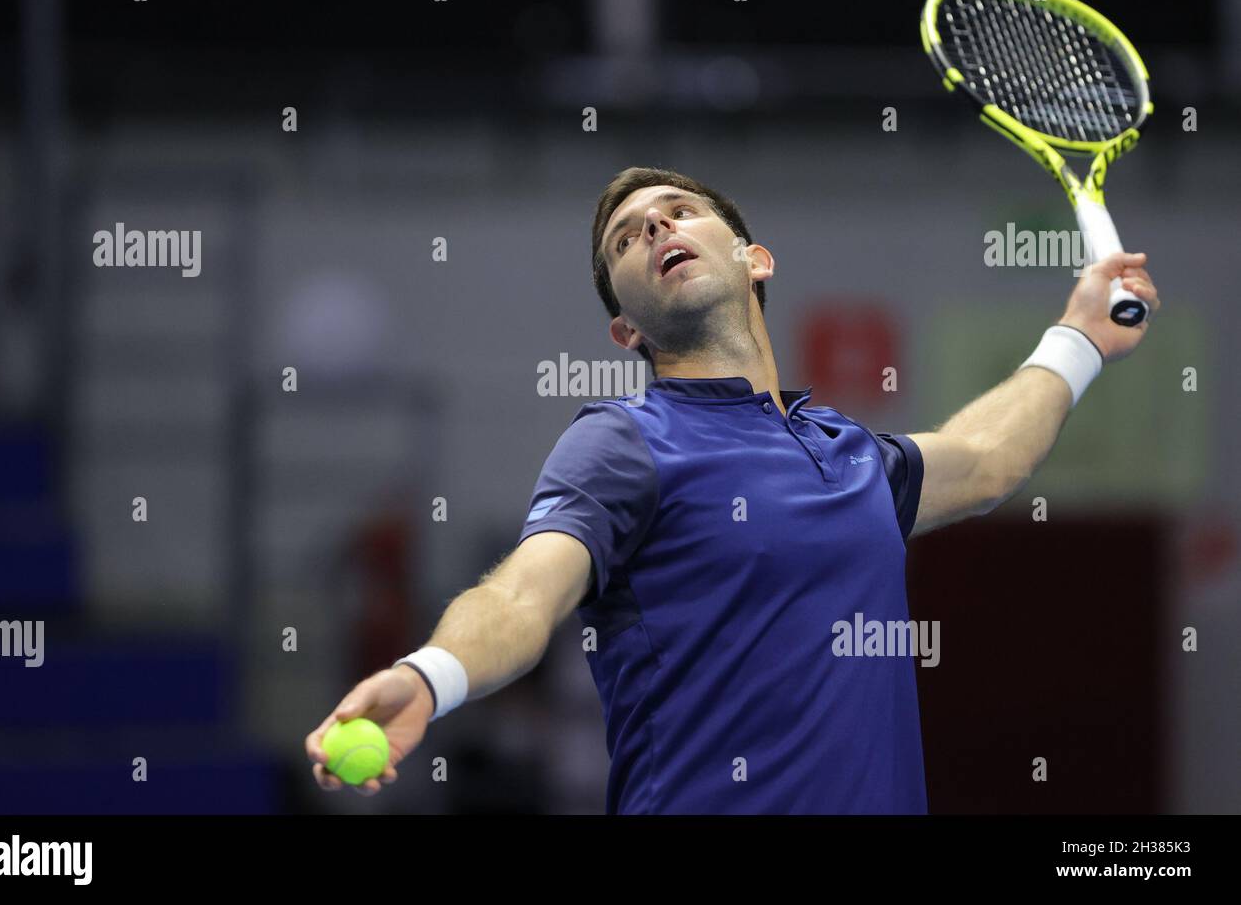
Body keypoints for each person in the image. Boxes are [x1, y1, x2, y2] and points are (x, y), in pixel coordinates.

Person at [304, 166, 1160, 813]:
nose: (655, 227)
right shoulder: (621, 442)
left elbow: (986, 459)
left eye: (678, 211)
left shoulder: (853, 460)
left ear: (755, 260)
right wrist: (430, 675)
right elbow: (525, 595)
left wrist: (1079, 337)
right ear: (625, 328)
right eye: (626, 238)